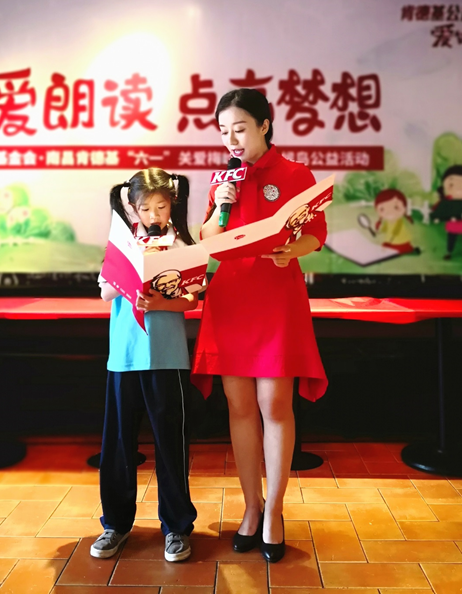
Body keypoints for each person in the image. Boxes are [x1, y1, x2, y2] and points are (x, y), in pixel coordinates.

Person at [191, 88, 328, 563]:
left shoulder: (295, 174)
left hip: (276, 297)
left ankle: (275, 510)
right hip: (230, 299)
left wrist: (294, 249)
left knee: (275, 402)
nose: (231, 139)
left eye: (240, 129)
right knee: (240, 405)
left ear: (265, 125)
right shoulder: (222, 178)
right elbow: (208, 238)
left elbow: (316, 233)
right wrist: (220, 205)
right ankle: (251, 506)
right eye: (223, 131)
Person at [91, 169, 198, 563]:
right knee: (118, 445)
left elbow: (192, 300)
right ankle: (115, 525)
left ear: (172, 205)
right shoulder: (123, 243)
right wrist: (134, 267)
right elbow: (105, 292)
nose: (154, 215)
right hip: (124, 357)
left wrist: (161, 301)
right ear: (133, 210)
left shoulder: (182, 243)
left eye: (161, 206)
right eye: (146, 208)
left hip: (168, 357)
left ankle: (177, 527)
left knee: (171, 445)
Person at [431, 164, 462, 260]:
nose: (458, 188)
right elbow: (439, 209)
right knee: (451, 239)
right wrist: (437, 217)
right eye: (451, 184)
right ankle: (449, 252)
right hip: (452, 225)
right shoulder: (446, 200)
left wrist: (459, 217)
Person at [374, 188, 419, 254]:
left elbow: (395, 233)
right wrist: (378, 232)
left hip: (400, 241)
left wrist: (389, 243)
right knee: (385, 246)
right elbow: (384, 229)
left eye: (396, 207)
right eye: (382, 209)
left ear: (404, 208)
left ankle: (409, 250)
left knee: (393, 248)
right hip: (391, 241)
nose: (389, 212)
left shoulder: (399, 221)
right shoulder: (387, 221)